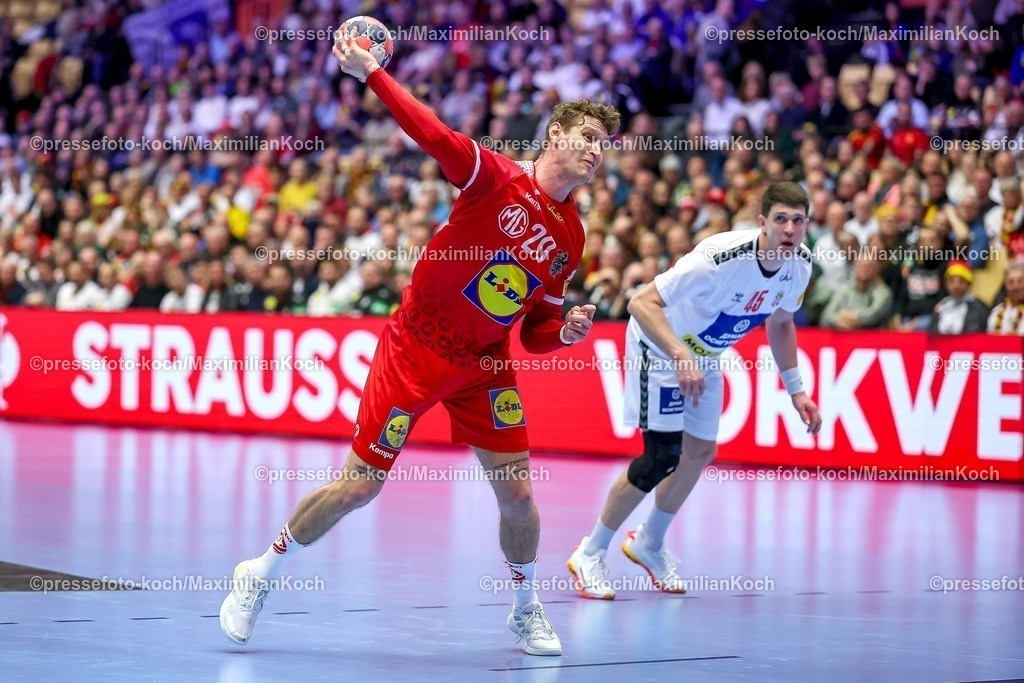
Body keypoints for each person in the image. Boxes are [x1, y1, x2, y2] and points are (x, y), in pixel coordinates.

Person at [219, 36, 621, 655]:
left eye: (604, 143)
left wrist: (561, 331)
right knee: (359, 486)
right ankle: (260, 572)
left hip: (485, 364)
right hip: (417, 349)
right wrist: (374, 72)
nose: (597, 150)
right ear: (556, 134)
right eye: (588, 136)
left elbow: (535, 328)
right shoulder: (494, 176)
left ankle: (525, 606)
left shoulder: (572, 235)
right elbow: (431, 133)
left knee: (517, 494)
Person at [566, 182, 822, 599]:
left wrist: (796, 390)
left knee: (701, 451)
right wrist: (679, 355)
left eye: (798, 220)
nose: (790, 228)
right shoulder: (718, 259)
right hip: (659, 347)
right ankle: (589, 553)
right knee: (660, 457)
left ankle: (648, 542)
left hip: (703, 356)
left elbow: (779, 323)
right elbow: (641, 303)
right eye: (781, 219)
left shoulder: (801, 265)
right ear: (762, 222)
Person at [928, 261, 989, 334]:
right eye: (952, 281)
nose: (956, 286)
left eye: (961, 281)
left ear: (968, 283)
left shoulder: (979, 307)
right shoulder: (940, 305)